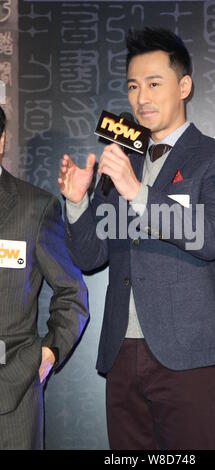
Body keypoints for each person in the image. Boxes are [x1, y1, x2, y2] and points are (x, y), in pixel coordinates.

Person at [59, 28, 215, 450]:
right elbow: (91, 257)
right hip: (121, 355)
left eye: (154, 84)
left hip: (189, 357)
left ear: (184, 86)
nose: (141, 97)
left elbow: (213, 236)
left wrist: (137, 192)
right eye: (133, 86)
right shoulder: (121, 162)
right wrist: (76, 204)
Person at [0, 105, 89, 450]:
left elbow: (71, 292)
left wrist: (49, 352)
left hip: (12, 394)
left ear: (2, 139)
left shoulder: (33, 207)